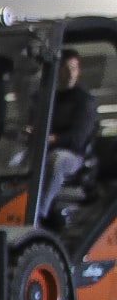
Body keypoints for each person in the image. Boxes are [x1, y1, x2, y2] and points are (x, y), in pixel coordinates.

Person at [36, 48, 98, 223]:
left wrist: (52, 138)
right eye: (65, 68)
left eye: (74, 68)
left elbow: (77, 140)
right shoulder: (51, 99)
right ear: (58, 71)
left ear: (79, 71)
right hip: (46, 150)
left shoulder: (85, 100)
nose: (70, 73)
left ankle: (39, 213)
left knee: (57, 160)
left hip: (76, 157)